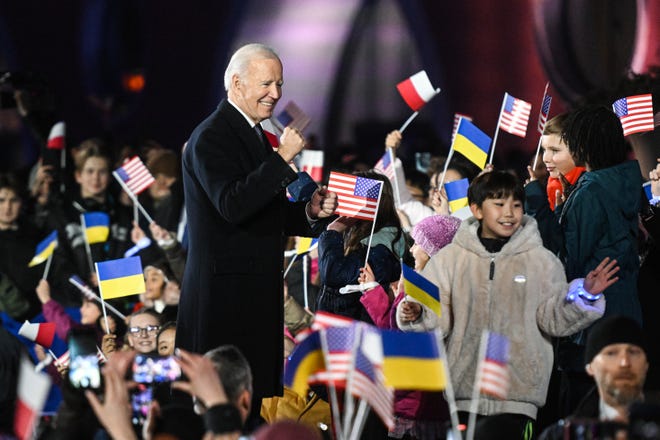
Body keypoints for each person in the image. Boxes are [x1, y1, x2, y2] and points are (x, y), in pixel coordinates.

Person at [176, 42, 337, 419]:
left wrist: (310, 213)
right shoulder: (211, 137)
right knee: (221, 414)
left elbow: (267, 210)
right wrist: (282, 157)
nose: (277, 94)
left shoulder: (253, 134)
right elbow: (233, 205)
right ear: (236, 83)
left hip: (252, 295)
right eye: (267, 84)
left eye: (280, 84)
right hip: (223, 301)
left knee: (248, 413)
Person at [396, 170, 620, 438]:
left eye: (516, 205)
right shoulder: (449, 260)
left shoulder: (542, 261)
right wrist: (416, 312)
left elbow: (553, 318)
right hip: (464, 396)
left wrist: (585, 294)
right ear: (476, 209)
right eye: (499, 204)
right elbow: (436, 315)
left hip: (519, 399)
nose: (509, 213)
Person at [555, 105, 644, 417]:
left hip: (590, 323)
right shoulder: (627, 182)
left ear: (585, 144)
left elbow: (570, 258)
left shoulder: (591, 191)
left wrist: (552, 218)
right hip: (627, 310)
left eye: (569, 141)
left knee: (582, 410)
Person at [539, 315, 649, 439]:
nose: (624, 362)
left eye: (633, 352)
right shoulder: (562, 435)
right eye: (611, 353)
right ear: (590, 366)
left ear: (646, 365)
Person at [316, 171, 405, 323]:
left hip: (355, 336)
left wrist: (332, 231)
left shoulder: (380, 247)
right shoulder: (362, 239)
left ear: (373, 203)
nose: (343, 202)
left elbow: (333, 274)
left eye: (352, 196)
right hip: (338, 330)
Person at [524, 113, 586, 253]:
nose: (545, 158)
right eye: (545, 149)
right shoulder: (554, 185)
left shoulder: (587, 191)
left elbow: (555, 247)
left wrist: (537, 203)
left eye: (555, 150)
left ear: (578, 150)